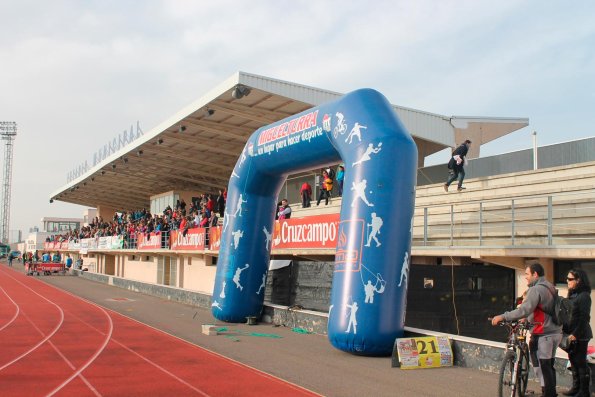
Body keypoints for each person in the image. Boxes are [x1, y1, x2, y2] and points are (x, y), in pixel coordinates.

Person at [491, 263, 562, 397]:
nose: (526, 278)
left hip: (544, 333)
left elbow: (524, 309)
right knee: (549, 366)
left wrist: (503, 316)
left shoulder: (535, 290)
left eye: (527, 274)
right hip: (556, 332)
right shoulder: (550, 286)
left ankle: (549, 394)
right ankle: (548, 392)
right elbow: (541, 309)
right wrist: (527, 318)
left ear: (535, 274)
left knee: (544, 366)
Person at [562, 269, 592, 397]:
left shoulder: (584, 296)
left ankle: (584, 392)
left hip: (581, 334)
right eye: (567, 279)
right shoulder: (572, 295)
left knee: (580, 362)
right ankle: (576, 388)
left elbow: (585, 318)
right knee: (573, 361)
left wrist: (575, 334)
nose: (567, 281)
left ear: (578, 280)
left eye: (570, 279)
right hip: (571, 334)